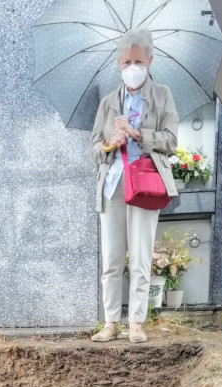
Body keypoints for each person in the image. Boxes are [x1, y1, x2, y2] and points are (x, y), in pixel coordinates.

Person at [90, 28, 178, 345]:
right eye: (127, 62)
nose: (132, 67)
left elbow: (171, 140)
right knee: (111, 259)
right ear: (119, 63)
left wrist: (139, 134)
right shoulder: (108, 102)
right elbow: (95, 148)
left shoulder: (162, 95)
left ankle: (137, 323)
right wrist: (110, 142)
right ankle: (111, 322)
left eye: (138, 61)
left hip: (145, 183)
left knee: (140, 257)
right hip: (113, 184)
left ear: (150, 60)